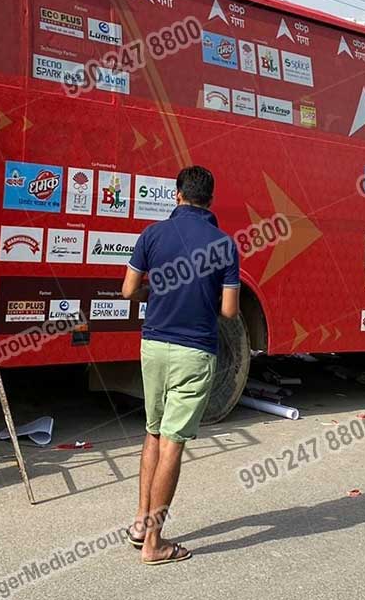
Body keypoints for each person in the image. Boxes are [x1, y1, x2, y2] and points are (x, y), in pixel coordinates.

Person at [121, 165, 240, 565]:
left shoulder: (152, 235)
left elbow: (128, 290)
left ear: (177, 195)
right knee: (174, 442)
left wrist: (156, 297)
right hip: (194, 350)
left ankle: (140, 524)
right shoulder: (224, 244)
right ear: (211, 200)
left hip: (153, 345)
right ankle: (154, 545)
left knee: (153, 433)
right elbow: (228, 311)